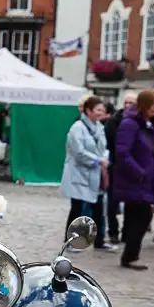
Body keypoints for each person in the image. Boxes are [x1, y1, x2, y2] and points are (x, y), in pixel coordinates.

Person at [114, 89, 154, 270]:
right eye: (153, 104)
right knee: (144, 215)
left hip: (150, 179)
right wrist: (139, 172)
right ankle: (130, 255)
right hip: (135, 179)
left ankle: (129, 255)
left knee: (136, 215)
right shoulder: (130, 124)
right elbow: (122, 152)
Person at [60, 95, 117, 252]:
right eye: (97, 109)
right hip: (78, 174)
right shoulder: (77, 128)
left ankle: (99, 240)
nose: (100, 112)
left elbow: (104, 147)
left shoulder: (99, 127)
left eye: (102, 110)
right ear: (88, 110)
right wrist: (98, 160)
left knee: (99, 207)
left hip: (95, 174)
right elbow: (78, 152)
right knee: (77, 208)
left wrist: (103, 160)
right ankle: (70, 241)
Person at [104, 93, 137, 243]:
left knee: (131, 202)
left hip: (132, 166)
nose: (128, 105)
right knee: (113, 201)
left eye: (131, 103)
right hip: (116, 165)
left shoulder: (139, 121)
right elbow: (110, 143)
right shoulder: (113, 121)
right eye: (126, 102)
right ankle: (113, 231)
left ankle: (127, 232)